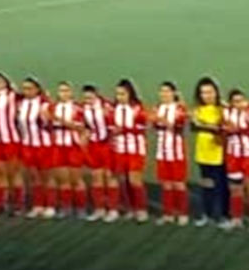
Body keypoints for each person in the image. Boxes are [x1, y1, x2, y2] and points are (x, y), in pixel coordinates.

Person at [222, 88, 249, 232]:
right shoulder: (226, 112)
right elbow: (223, 130)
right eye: (235, 101)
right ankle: (236, 218)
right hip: (233, 155)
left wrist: (238, 130)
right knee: (235, 189)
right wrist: (226, 130)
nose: (239, 104)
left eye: (241, 100)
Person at [190, 77, 228, 227]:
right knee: (207, 185)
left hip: (220, 152)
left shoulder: (223, 109)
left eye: (210, 92)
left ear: (216, 92)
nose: (207, 96)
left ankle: (223, 215)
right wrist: (208, 126)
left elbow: (222, 128)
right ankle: (207, 213)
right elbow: (193, 126)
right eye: (203, 93)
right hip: (203, 153)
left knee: (221, 186)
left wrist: (204, 125)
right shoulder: (198, 109)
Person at [111, 78, 149, 222]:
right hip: (120, 149)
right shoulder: (114, 109)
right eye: (118, 94)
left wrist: (124, 129)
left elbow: (143, 127)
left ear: (130, 94)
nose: (120, 97)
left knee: (135, 180)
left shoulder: (137, 109)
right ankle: (129, 207)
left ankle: (141, 209)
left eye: (123, 94)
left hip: (136, 149)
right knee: (122, 179)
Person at [17, 77, 55, 219]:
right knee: (34, 177)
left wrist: (47, 117)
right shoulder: (21, 104)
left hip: (43, 145)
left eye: (30, 88)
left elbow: (50, 125)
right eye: (24, 88)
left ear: (37, 89)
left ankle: (49, 205)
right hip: (28, 145)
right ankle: (38, 205)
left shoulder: (45, 104)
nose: (27, 91)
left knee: (46, 177)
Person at [0, 72, 23, 215]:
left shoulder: (12, 96)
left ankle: (18, 204)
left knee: (13, 173)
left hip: (11, 140)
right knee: (0, 173)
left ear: (5, 84)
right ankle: (2, 203)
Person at [152, 81, 189, 225]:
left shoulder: (180, 108)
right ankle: (168, 213)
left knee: (178, 183)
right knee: (166, 183)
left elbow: (180, 127)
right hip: (162, 151)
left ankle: (182, 213)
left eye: (167, 91)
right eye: (162, 91)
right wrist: (156, 121)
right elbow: (155, 126)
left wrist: (165, 121)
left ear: (174, 93)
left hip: (176, 151)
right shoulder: (157, 108)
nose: (164, 94)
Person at [81, 84, 118, 221]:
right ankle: (99, 209)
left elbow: (114, 126)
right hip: (93, 145)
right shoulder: (83, 108)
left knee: (109, 176)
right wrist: (85, 136)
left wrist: (112, 142)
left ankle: (113, 209)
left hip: (107, 145)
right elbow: (85, 126)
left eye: (90, 97)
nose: (88, 100)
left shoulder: (107, 107)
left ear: (96, 95)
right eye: (86, 98)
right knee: (96, 176)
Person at [50, 81, 87, 218]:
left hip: (73, 147)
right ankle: (66, 207)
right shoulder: (53, 108)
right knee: (63, 180)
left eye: (66, 91)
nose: (63, 94)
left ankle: (81, 208)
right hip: (58, 147)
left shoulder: (78, 109)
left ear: (71, 93)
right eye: (61, 91)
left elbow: (81, 128)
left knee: (76, 179)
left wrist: (62, 121)